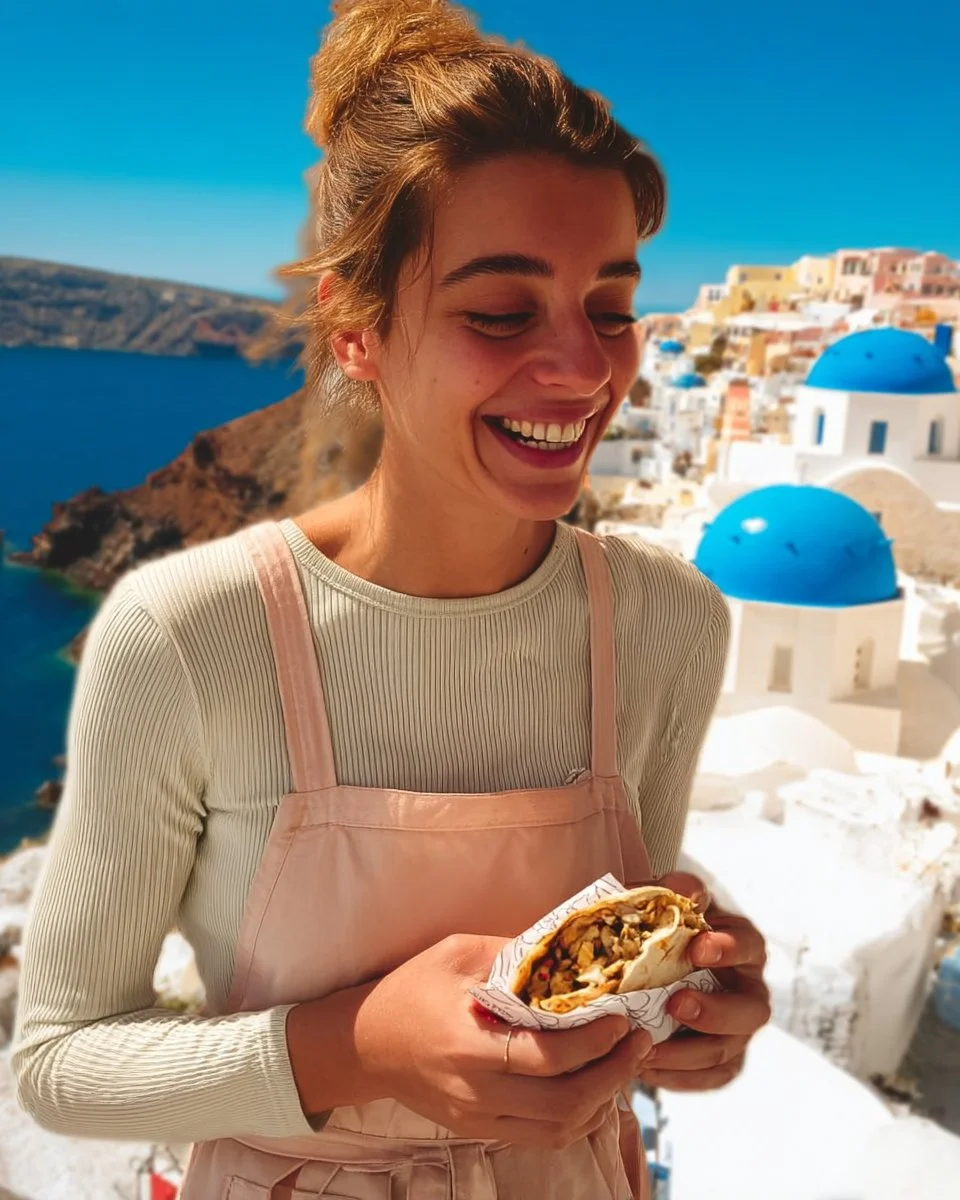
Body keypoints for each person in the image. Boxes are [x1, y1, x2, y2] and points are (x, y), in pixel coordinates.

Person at [12, 1, 770, 1197]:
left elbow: (622, 960)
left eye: (613, 308)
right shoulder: (187, 634)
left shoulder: (670, 621)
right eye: (501, 312)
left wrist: (693, 1013)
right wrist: (359, 1045)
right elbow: (61, 1065)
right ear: (357, 331)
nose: (585, 369)